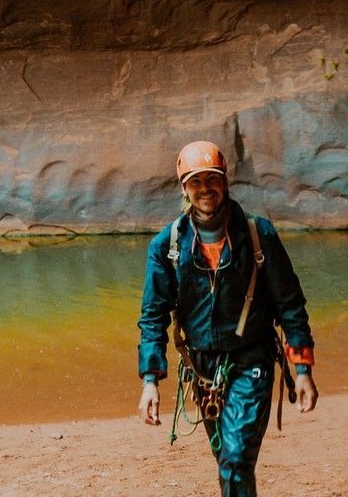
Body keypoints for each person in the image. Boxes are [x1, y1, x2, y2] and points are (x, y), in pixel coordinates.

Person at [136, 140, 318, 496]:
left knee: (235, 458)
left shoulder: (258, 234)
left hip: (253, 359)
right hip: (202, 369)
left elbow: (290, 305)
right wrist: (149, 381)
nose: (205, 189)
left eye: (212, 179)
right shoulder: (167, 246)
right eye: (196, 181)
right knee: (226, 457)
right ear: (184, 187)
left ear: (225, 182)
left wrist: (303, 370)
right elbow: (153, 317)